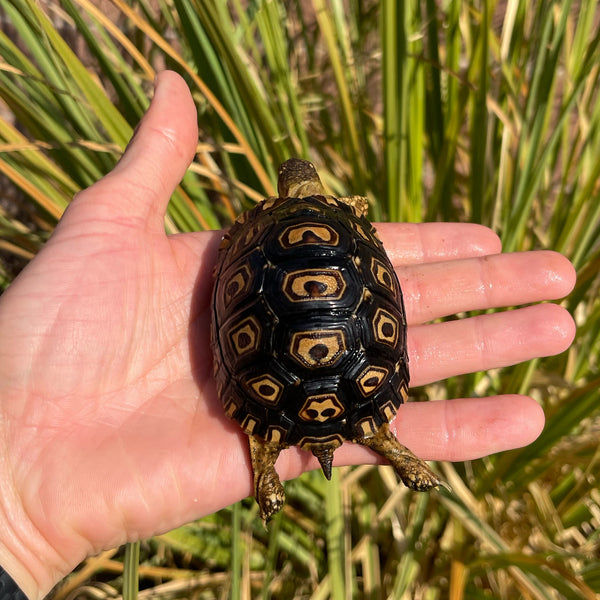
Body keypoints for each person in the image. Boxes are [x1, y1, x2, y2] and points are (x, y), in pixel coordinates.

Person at [0, 71, 576, 600]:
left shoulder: (250, 232)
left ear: (285, 188)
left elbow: (241, 268)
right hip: (361, 373)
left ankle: (272, 465)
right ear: (319, 187)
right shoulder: (345, 218)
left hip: (268, 380)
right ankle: (386, 445)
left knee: (269, 425)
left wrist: (18, 521)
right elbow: (367, 247)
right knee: (372, 417)